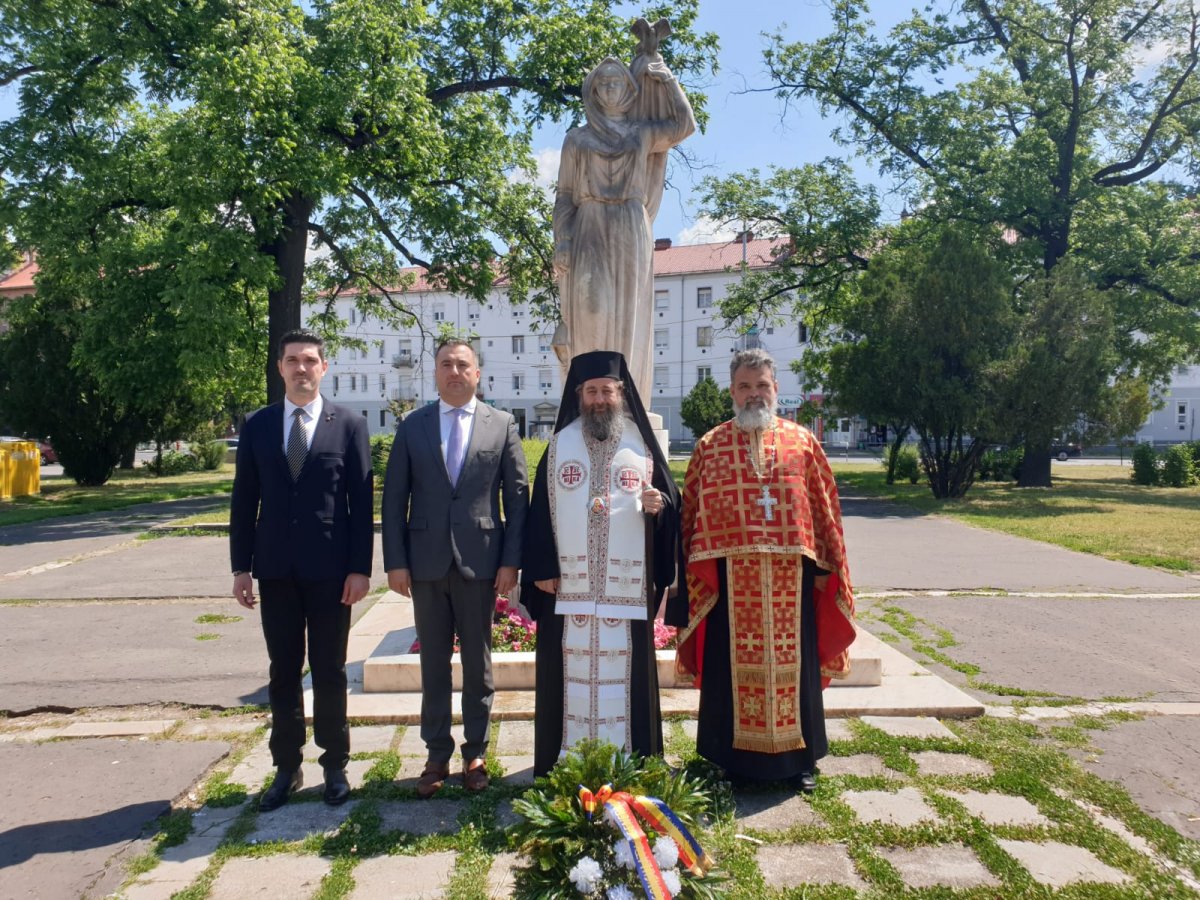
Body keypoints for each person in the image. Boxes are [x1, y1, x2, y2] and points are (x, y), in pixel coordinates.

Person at [676, 349, 856, 792]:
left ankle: (801, 761)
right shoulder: (710, 445)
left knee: (797, 670)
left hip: (792, 582)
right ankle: (728, 761)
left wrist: (824, 566)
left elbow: (823, 510)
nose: (753, 393)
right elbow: (692, 514)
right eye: (744, 386)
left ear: (776, 389)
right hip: (728, 583)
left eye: (762, 385)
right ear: (732, 391)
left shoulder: (803, 443)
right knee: (728, 672)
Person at [230, 329, 374, 811]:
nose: (301, 368)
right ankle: (286, 767)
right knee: (283, 672)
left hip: (332, 575)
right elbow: (244, 500)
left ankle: (335, 765)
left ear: (324, 368)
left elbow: (358, 503)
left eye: (310, 360)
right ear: (280, 368)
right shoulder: (259, 425)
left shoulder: (349, 425)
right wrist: (240, 567)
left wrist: (360, 569)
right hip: (275, 571)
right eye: (292, 360)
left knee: (330, 671)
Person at [521, 350, 683, 776]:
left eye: (606, 391)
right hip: (568, 592)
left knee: (627, 677)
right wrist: (541, 569)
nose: (598, 399)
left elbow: (672, 505)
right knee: (565, 675)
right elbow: (538, 513)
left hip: (625, 593)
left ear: (620, 393)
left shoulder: (641, 445)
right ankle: (563, 765)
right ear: (578, 396)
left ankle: (635, 761)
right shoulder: (560, 446)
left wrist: (659, 506)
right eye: (590, 391)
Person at [382, 339, 528, 798]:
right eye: (445, 364)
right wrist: (395, 562)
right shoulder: (413, 426)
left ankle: (476, 751)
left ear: (478, 373)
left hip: (482, 562)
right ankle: (436, 754)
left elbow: (517, 500)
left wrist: (511, 562)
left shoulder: (501, 424)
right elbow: (393, 500)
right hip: (424, 565)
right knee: (433, 665)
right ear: (435, 373)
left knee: (478, 662)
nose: (454, 371)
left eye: (463, 364)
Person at [551, 20, 696, 401]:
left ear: (629, 88)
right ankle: (588, 399)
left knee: (629, 317)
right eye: (603, 83)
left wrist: (666, 79)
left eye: (617, 82)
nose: (611, 88)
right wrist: (561, 241)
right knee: (592, 311)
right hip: (590, 224)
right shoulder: (577, 138)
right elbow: (565, 194)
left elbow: (684, 125)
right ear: (594, 91)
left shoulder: (642, 133)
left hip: (632, 224)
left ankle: (628, 400)